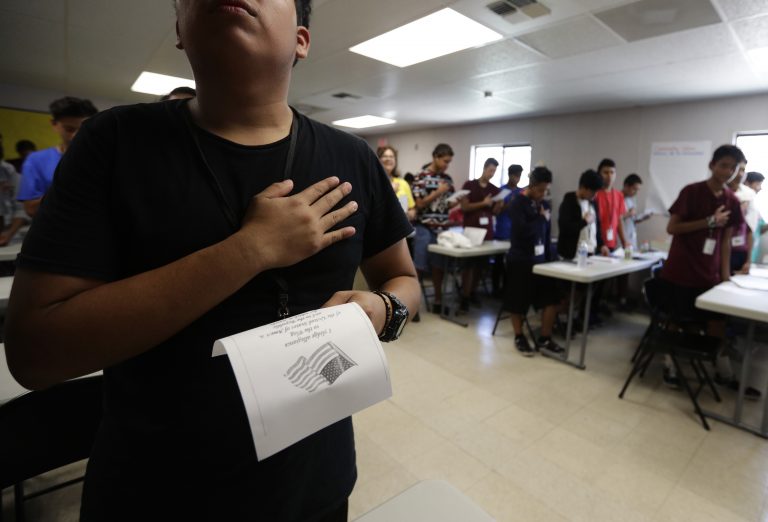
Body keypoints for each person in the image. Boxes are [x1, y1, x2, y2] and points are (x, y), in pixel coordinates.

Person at [6, 1, 421, 520]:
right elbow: (35, 353)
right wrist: (249, 250)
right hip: (155, 492)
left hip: (314, 484)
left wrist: (383, 310)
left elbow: (403, 279)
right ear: (180, 28)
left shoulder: (352, 156)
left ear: (301, 39)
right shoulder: (114, 141)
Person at [659, 145, 759, 398]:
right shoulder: (691, 192)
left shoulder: (732, 201)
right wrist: (708, 222)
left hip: (710, 274)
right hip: (681, 271)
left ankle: (722, 371)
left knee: (717, 323)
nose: (728, 171)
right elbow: (672, 228)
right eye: (723, 165)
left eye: (733, 167)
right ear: (712, 165)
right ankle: (669, 364)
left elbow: (725, 241)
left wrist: (724, 280)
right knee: (676, 319)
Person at [503, 166, 564, 356]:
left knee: (550, 299)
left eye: (546, 190)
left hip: (540, 261)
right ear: (532, 185)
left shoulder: (544, 205)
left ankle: (545, 337)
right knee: (517, 301)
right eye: (540, 190)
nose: (542, 194)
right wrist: (539, 219)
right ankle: (519, 336)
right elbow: (522, 231)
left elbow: (545, 234)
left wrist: (547, 258)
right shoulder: (517, 202)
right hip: (520, 258)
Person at [17, 96, 98, 218]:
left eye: (84, 129)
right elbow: (31, 209)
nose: (77, 136)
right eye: (69, 129)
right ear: (54, 124)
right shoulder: (36, 161)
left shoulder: (103, 159)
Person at [412, 143, 458, 313]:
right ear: (436, 157)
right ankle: (414, 306)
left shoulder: (448, 179)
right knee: (419, 267)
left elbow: (447, 204)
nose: (447, 165)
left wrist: (456, 202)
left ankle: (438, 301)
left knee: (439, 267)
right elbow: (419, 204)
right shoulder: (420, 177)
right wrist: (438, 192)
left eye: (449, 162)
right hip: (424, 227)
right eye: (445, 161)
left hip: (442, 228)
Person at [459, 157, 501, 310]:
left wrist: (499, 204)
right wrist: (483, 203)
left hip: (486, 232)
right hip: (471, 230)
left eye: (494, 171)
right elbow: (464, 207)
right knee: (468, 265)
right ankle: (464, 294)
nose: (491, 173)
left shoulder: (494, 189)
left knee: (480, 265)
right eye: (490, 170)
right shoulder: (469, 185)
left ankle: (473, 292)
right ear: (484, 168)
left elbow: (495, 212)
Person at [557, 169, 605, 259]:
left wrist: (602, 245)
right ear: (583, 187)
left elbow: (597, 227)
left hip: (591, 252)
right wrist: (584, 221)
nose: (595, 195)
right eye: (593, 192)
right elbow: (565, 228)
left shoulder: (593, 203)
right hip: (572, 254)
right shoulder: (569, 201)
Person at [492, 164, 524, 296]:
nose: (517, 179)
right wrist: (507, 204)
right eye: (515, 176)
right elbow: (495, 211)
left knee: (511, 264)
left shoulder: (521, 192)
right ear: (510, 175)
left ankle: (507, 290)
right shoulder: (501, 191)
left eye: (519, 176)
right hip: (502, 231)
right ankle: (495, 289)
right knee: (498, 263)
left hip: (515, 233)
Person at [378, 145, 415, 222]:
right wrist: (391, 192)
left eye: (391, 156)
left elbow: (412, 208)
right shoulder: (374, 182)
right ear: (379, 160)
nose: (388, 159)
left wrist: (410, 214)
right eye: (385, 156)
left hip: (401, 228)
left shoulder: (403, 183)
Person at [727, 166, 753, 274]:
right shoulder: (727, 199)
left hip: (741, 253)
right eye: (741, 203)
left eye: (745, 203)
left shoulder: (745, 219)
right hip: (727, 252)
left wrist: (748, 260)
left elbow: (750, 234)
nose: (743, 205)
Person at [621, 173, 652, 251]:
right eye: (634, 189)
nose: (636, 193)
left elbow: (633, 219)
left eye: (637, 190)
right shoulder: (618, 198)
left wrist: (643, 217)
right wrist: (629, 214)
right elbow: (615, 218)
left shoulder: (630, 200)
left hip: (631, 237)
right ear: (626, 186)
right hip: (621, 238)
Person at [745, 171, 767, 264]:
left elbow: (759, 229)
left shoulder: (755, 209)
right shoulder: (742, 203)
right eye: (758, 184)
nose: (760, 188)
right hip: (743, 252)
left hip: (751, 255)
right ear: (747, 183)